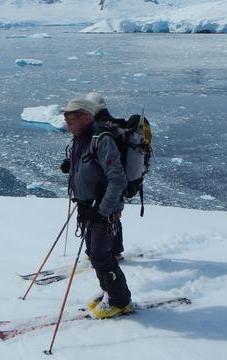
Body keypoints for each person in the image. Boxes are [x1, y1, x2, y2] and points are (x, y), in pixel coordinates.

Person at [59, 96, 132, 319]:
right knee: (94, 254)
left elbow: (117, 179)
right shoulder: (82, 140)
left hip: (102, 211)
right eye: (65, 116)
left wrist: (102, 210)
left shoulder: (101, 140)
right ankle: (108, 292)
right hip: (88, 208)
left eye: (71, 116)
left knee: (101, 255)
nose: (66, 121)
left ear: (86, 117)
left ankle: (121, 301)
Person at [83, 92, 125, 258]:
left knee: (97, 217)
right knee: (113, 216)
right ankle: (115, 251)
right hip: (114, 183)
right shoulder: (114, 126)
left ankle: (98, 253)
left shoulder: (100, 130)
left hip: (105, 182)